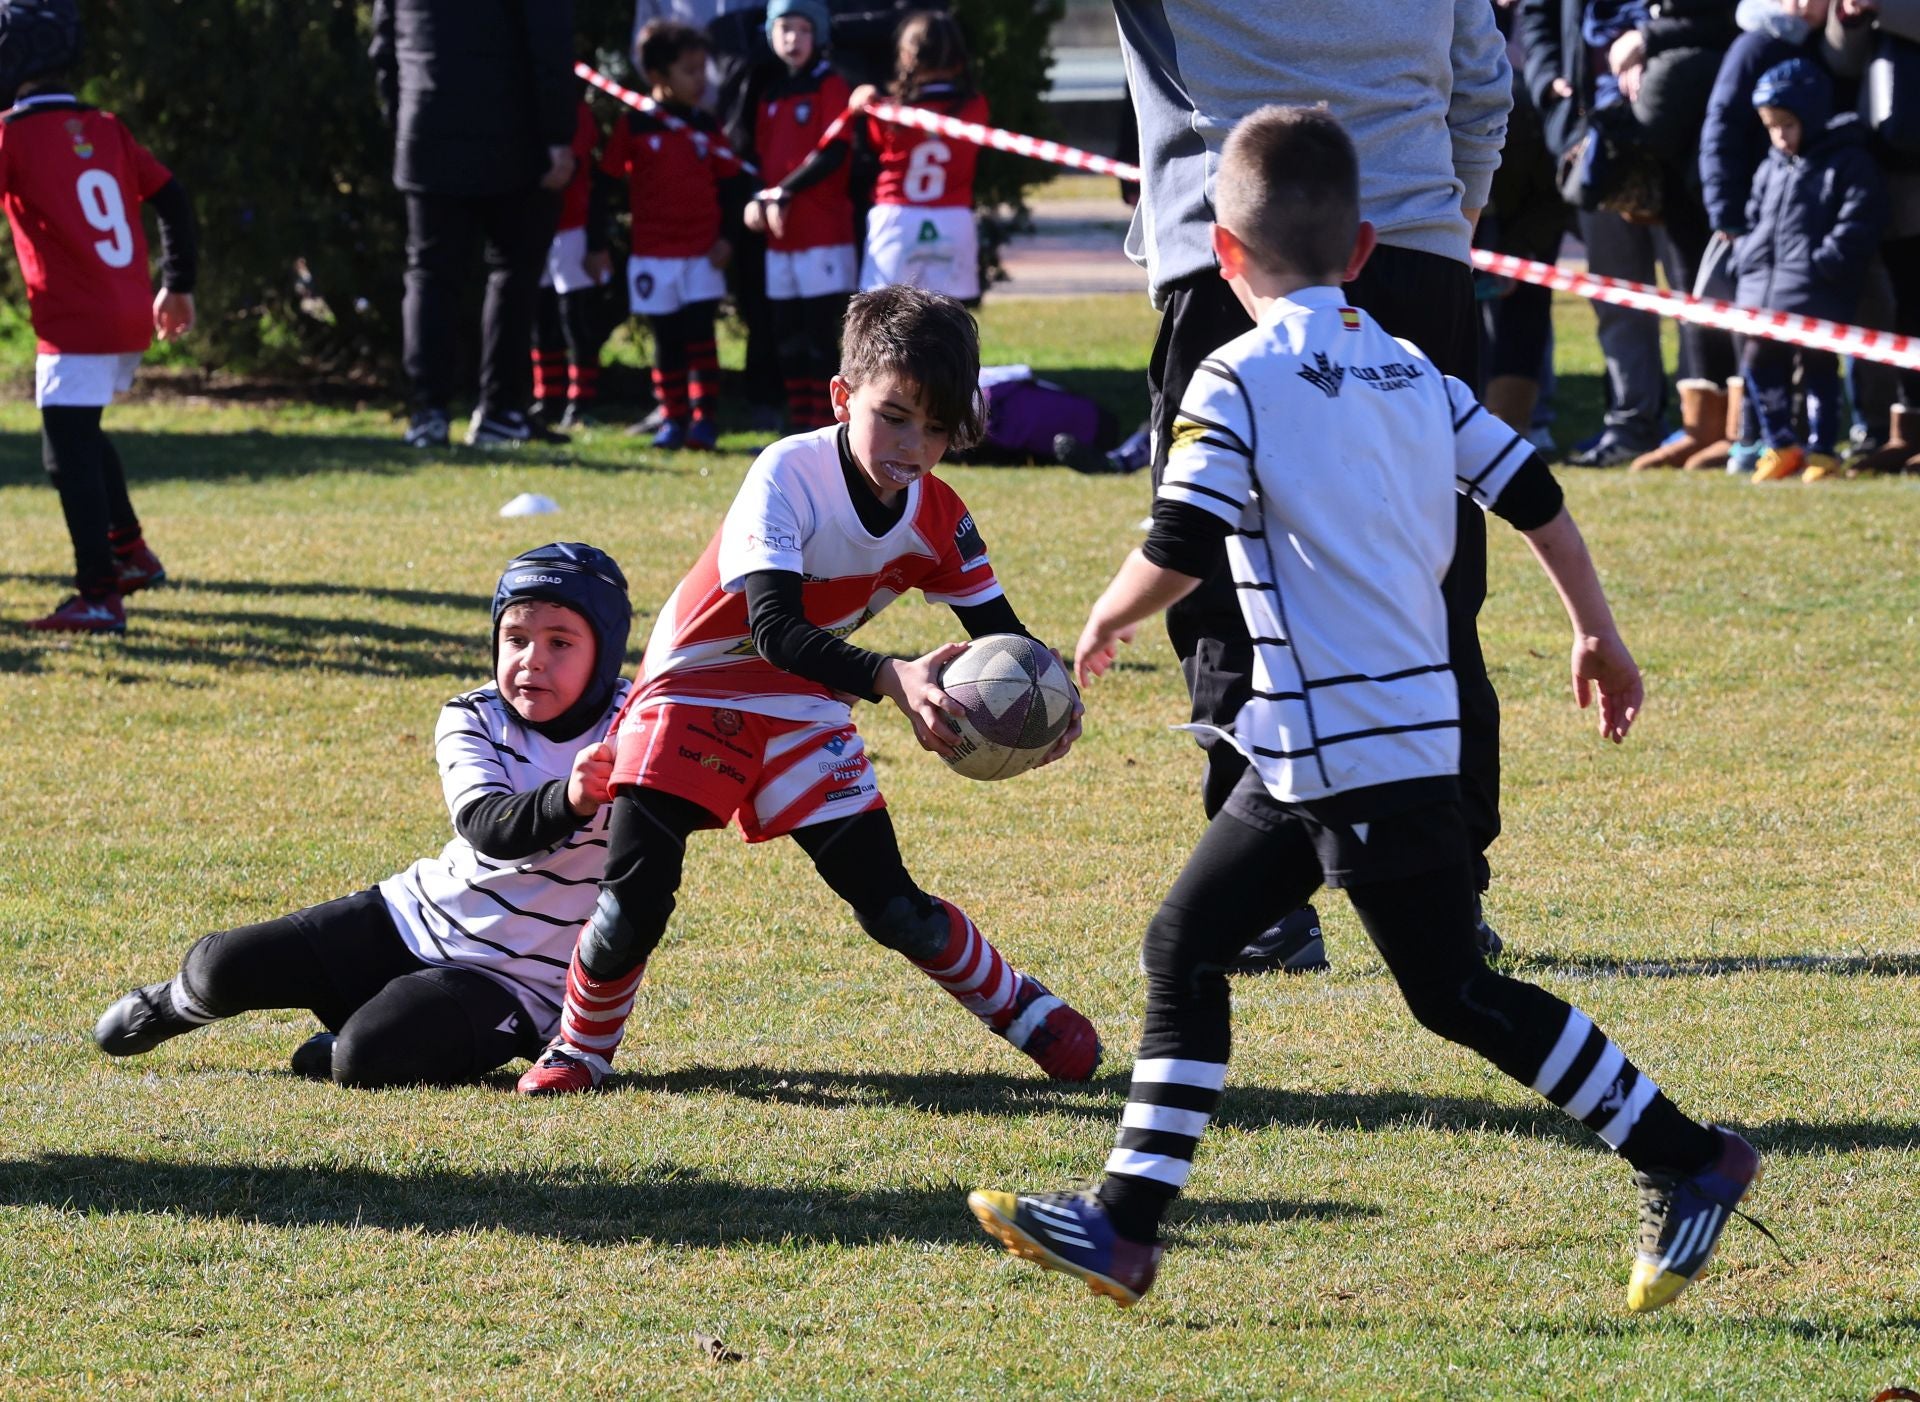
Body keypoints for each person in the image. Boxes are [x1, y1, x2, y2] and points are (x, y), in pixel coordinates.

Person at [968, 106, 1760, 1316]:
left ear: (1220, 256)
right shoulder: (1413, 368)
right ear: (1367, 245)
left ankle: (1691, 1156)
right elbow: (1534, 489)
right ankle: (1124, 1230)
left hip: (1357, 750)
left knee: (1453, 994)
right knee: (1189, 943)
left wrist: (1106, 618)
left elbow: (1180, 542)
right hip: (1320, 742)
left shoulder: (1235, 376)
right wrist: (1595, 626)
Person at [514, 286, 1101, 1095]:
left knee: (892, 907)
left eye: (937, 428)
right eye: (895, 416)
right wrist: (891, 677)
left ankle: (1030, 1014)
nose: (914, 447)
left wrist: (1052, 705)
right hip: (692, 691)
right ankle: (579, 1049)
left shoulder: (939, 514)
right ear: (841, 397)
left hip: (803, 704)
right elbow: (774, 631)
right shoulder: (787, 471)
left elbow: (1004, 636)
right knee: (634, 906)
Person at [1113, 0, 1512, 975]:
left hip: (1235, 264)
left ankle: (1260, 902)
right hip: (1413, 250)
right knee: (1428, 584)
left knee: (1221, 581)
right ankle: (1445, 883)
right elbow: (1483, 77)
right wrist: (1447, 219)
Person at [93, 544, 636, 1088]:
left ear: (604, 652)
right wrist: (569, 797)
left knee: (367, 1059)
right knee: (222, 963)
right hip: (415, 915)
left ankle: (358, 1038)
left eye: (560, 642)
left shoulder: (638, 726)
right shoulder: (473, 715)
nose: (531, 659)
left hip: (516, 982)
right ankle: (176, 1004)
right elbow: (488, 827)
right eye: (515, 638)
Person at [0, 0, 196, 635]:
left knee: (64, 452)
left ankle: (98, 594)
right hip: (128, 311)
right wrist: (179, 285)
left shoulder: (12, 133)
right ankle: (130, 552)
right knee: (82, 434)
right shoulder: (106, 126)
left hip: (75, 318)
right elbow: (173, 196)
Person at [370, 0, 578, 449]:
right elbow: (550, 45)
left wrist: (400, 117)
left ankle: (429, 412)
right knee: (513, 275)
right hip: (514, 137)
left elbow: (384, 46)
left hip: (425, 127)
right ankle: (500, 411)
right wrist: (559, 134)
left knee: (430, 274)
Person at [1737, 57, 1889, 480]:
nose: (1779, 136)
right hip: (1763, 290)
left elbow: (1860, 218)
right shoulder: (1770, 166)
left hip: (1816, 289)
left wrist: (1828, 261)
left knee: (1819, 365)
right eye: (1770, 126)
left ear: (1812, 116)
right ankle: (1780, 443)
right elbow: (1754, 218)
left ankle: (1823, 450)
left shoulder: (1847, 161)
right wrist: (1746, 257)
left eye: (1787, 124)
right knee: (1759, 359)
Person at [605, 20, 751, 451]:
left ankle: (705, 420)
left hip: (702, 254)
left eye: (703, 69)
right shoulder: (634, 126)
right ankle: (672, 418)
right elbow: (606, 180)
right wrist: (603, 241)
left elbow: (730, 186)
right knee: (666, 339)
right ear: (657, 76)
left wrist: (727, 237)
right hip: (653, 255)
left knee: (701, 335)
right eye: (689, 70)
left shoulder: (706, 126)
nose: (700, 79)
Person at [744, 0, 858, 434]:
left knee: (819, 334)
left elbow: (834, 153)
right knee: (786, 334)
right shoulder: (771, 93)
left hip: (822, 234)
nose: (792, 39)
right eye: (783, 29)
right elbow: (761, 161)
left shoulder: (830, 85)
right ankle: (798, 425)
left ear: (819, 34)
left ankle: (828, 426)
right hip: (780, 237)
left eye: (802, 29)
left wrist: (785, 191)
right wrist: (760, 197)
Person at [848, 10, 987, 302]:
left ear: (907, 57)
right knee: (949, 319)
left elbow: (873, 145)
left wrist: (868, 99)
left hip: (897, 219)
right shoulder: (975, 108)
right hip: (952, 218)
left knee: (882, 317)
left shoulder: (888, 113)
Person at [532, 98, 613, 432]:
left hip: (572, 228)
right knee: (541, 320)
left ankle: (581, 402)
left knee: (574, 320)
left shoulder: (573, 110)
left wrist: (596, 242)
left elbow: (571, 169)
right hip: (532, 229)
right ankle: (546, 399)